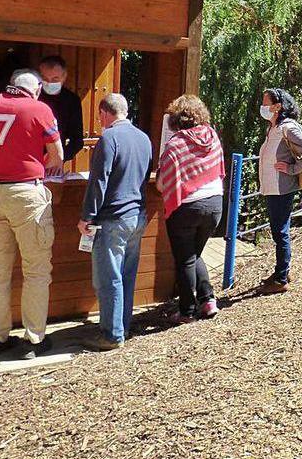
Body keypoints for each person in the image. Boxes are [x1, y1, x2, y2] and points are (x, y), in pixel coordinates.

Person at [0, 69, 62, 359]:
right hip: (28, 195)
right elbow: (57, 156)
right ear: (37, 88)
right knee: (36, 270)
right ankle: (34, 340)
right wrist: (35, 164)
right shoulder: (40, 109)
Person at [78, 93, 152, 351]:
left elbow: (99, 180)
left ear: (104, 113)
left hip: (112, 218)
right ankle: (123, 325)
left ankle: (111, 334)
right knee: (127, 276)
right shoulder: (143, 138)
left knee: (108, 278)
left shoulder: (109, 138)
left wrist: (87, 216)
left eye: (99, 117)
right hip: (137, 216)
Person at [157, 95, 225, 325]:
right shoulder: (212, 136)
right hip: (215, 203)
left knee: (185, 258)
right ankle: (208, 300)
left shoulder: (175, 144)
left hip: (187, 206)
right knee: (195, 254)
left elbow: (162, 181)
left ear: (175, 119)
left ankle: (187, 310)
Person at [256, 88, 302, 295]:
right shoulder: (273, 128)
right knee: (278, 230)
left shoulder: (288, 128)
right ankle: (283, 271)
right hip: (273, 187)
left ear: (278, 106)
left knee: (280, 231)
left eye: (266, 103)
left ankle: (281, 278)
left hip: (281, 187)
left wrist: (292, 169)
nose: (263, 107)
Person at [38, 55, 85, 173]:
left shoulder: (71, 100)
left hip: (55, 167)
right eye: (45, 78)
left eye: (54, 79)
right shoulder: (33, 97)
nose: (49, 83)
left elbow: (77, 140)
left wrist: (58, 157)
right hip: (30, 161)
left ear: (64, 77)